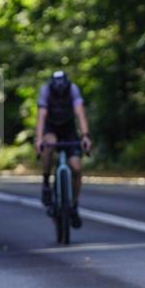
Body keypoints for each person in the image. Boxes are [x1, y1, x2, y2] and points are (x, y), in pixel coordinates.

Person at [34, 70, 92, 228]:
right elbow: (41, 116)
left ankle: (73, 204)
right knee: (49, 144)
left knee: (76, 167)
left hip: (68, 130)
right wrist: (39, 140)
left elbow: (80, 113)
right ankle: (46, 182)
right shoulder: (46, 91)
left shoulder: (73, 89)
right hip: (51, 128)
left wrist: (85, 136)